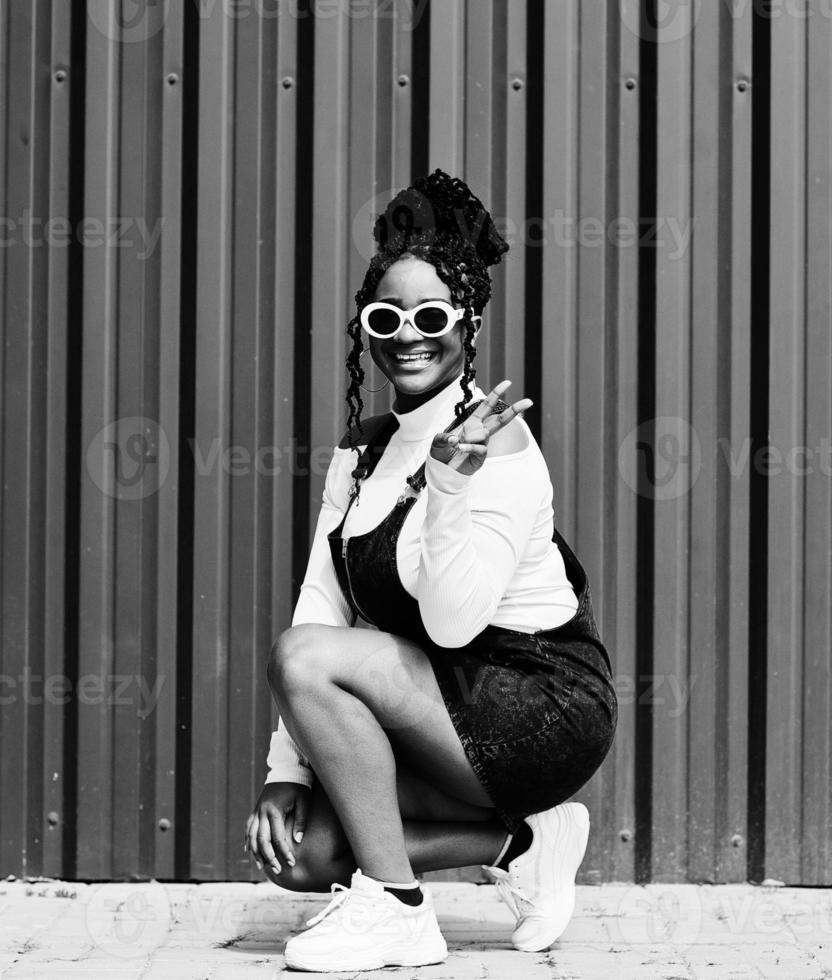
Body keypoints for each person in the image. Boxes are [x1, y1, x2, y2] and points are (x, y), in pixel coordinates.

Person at [244, 169, 617, 972]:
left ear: (468, 320)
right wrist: (288, 768)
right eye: (387, 317)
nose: (407, 334)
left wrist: (449, 482)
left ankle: (399, 912)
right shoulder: (363, 449)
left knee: (299, 657)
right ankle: (518, 841)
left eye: (431, 315)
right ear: (366, 331)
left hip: (537, 704)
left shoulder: (500, 447)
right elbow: (322, 600)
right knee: (301, 853)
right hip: (439, 701)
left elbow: (451, 623)